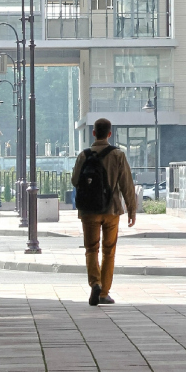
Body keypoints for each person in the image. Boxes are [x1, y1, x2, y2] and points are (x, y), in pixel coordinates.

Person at [71, 118, 136, 306]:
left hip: (88, 211)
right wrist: (131, 209)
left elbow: (75, 180)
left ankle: (95, 283)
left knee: (91, 249)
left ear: (93, 133)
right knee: (109, 251)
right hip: (111, 209)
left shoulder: (83, 155)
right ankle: (104, 293)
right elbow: (127, 184)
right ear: (109, 134)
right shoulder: (118, 155)